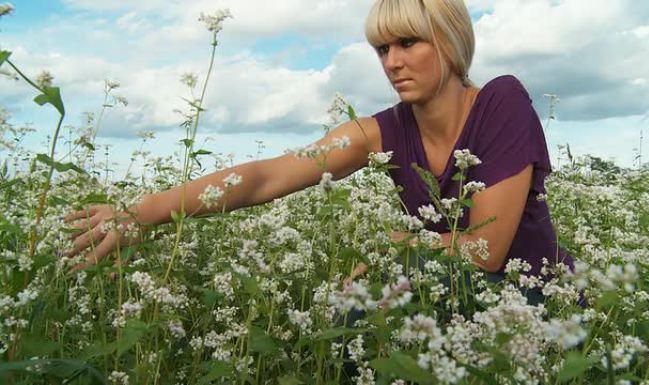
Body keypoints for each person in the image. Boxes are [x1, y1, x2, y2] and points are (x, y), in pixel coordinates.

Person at [65, 0, 575, 290]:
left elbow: (483, 253)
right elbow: (268, 176)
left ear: (450, 42)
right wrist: (143, 212)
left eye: (408, 43)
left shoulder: (500, 101)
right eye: (382, 49)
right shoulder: (382, 132)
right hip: (443, 296)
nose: (392, 62)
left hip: (535, 303)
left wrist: (390, 250)